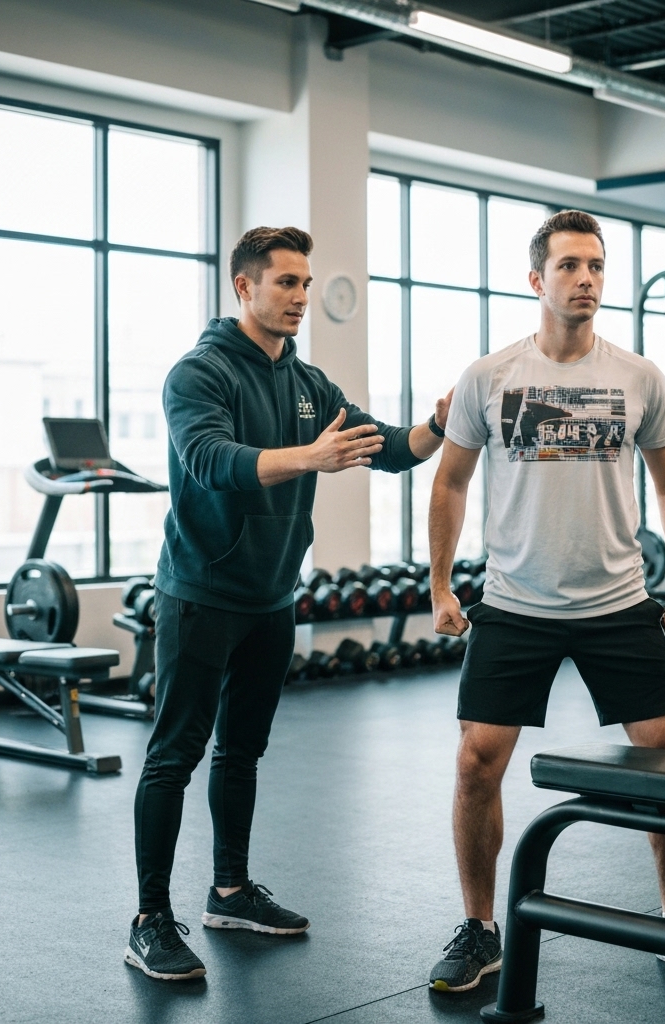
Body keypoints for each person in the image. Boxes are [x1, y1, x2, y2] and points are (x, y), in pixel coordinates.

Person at [125, 225, 450, 982]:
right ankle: (149, 918)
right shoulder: (197, 374)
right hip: (201, 594)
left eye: (306, 283)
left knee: (243, 751)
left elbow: (385, 447)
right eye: (287, 283)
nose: (302, 297)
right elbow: (210, 461)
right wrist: (309, 457)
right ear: (245, 287)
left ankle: (230, 890)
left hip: (273, 597)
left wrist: (438, 424)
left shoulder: (309, 385)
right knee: (174, 757)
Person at [426, 210, 665, 993]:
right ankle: (479, 927)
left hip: (618, 599)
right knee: (475, 764)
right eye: (568, 266)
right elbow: (450, 481)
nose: (586, 279)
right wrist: (439, 584)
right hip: (516, 601)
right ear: (537, 280)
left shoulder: (639, 377)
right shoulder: (488, 377)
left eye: (596, 266)